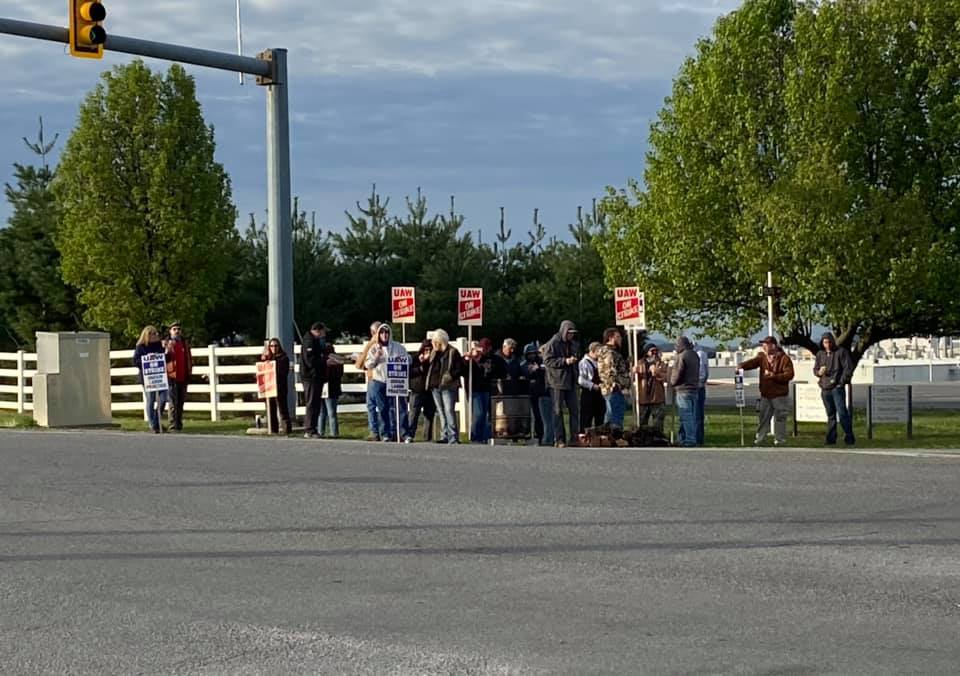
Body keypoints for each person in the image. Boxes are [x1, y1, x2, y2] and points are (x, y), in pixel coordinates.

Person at [738, 336, 795, 446]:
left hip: (780, 395)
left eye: (766, 344)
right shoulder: (762, 357)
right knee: (763, 418)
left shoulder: (784, 359)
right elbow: (753, 363)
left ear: (773, 345)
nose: (763, 346)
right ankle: (760, 439)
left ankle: (780, 440)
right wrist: (741, 366)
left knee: (780, 418)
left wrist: (774, 376)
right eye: (763, 344)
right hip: (766, 394)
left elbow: (789, 375)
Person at [365, 323, 411, 442]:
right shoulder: (374, 348)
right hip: (379, 381)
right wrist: (376, 357)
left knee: (401, 407)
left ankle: (404, 433)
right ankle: (385, 433)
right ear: (378, 334)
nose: (384, 335)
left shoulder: (398, 347)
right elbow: (368, 364)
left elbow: (408, 359)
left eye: (386, 333)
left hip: (396, 381)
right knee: (382, 408)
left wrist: (402, 360)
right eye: (382, 333)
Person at [542, 320, 580, 447]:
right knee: (557, 411)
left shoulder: (573, 344)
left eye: (573, 333)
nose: (571, 335)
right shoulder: (553, 343)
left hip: (571, 381)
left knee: (574, 410)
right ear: (564, 331)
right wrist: (564, 361)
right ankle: (559, 439)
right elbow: (547, 360)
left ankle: (574, 437)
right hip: (556, 382)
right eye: (569, 333)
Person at [814, 331, 855, 445]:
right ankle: (831, 438)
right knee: (830, 414)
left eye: (828, 342)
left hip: (837, 388)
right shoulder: (820, 354)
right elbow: (815, 369)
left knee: (842, 413)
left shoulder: (841, 352)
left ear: (832, 342)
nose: (827, 344)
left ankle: (849, 436)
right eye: (825, 342)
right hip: (825, 388)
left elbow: (848, 368)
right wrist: (818, 372)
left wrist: (841, 382)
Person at [425, 329, 463, 444]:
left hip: (447, 386)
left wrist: (449, 376)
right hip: (435, 386)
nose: (433, 344)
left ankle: (453, 436)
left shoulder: (453, 352)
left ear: (440, 341)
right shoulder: (434, 353)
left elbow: (459, 368)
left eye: (435, 342)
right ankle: (444, 435)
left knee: (449, 411)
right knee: (441, 411)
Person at [464, 338, 505, 443]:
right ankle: (475, 437)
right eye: (481, 348)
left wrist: (499, 385)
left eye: (485, 348)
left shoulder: (494, 359)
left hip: (487, 389)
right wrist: (469, 358)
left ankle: (484, 437)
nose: (482, 350)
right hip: (475, 389)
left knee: (487, 415)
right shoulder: (472, 358)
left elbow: (502, 371)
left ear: (489, 348)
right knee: (479, 413)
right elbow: (462, 369)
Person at [133, 325, 168, 434]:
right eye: (153, 334)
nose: (155, 335)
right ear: (147, 335)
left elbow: (167, 359)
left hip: (160, 377)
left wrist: (166, 349)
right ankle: (153, 425)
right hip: (147, 377)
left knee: (163, 399)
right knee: (151, 399)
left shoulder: (159, 345)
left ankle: (156, 421)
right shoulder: (141, 347)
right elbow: (135, 361)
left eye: (156, 333)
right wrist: (148, 358)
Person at [597, 328, 632, 432]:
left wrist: (626, 364)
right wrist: (621, 384)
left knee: (610, 413)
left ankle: (608, 436)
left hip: (610, 387)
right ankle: (614, 436)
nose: (620, 339)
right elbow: (610, 371)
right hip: (613, 388)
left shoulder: (610, 352)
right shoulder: (609, 352)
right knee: (615, 414)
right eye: (618, 337)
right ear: (611, 337)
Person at [355, 321, 384, 441]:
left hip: (375, 378)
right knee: (382, 406)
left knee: (373, 406)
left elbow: (359, 364)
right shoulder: (390, 344)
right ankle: (385, 431)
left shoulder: (373, 345)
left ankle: (375, 432)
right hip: (381, 378)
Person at [299, 322, 328, 439]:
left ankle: (313, 428)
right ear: (318, 330)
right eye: (323, 331)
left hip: (316, 377)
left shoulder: (314, 341)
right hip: (310, 377)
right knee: (311, 403)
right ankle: (309, 429)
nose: (324, 334)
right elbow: (310, 361)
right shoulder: (309, 341)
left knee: (316, 403)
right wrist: (324, 361)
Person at [670, 336, 700, 447]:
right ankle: (682, 438)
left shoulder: (681, 356)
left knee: (686, 416)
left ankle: (690, 440)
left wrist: (671, 382)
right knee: (691, 415)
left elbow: (677, 374)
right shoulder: (695, 355)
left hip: (683, 389)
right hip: (694, 389)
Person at [164, 321, 192, 431]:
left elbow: (188, 358)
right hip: (171, 377)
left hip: (183, 376)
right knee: (172, 403)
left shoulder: (185, 343)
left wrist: (189, 372)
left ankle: (179, 424)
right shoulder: (166, 343)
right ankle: (172, 424)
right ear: (170, 331)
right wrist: (167, 349)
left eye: (178, 329)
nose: (177, 331)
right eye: (174, 329)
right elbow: (164, 358)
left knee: (181, 402)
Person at [523, 342, 553, 445]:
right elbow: (525, 374)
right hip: (530, 394)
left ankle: (541, 436)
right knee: (534, 416)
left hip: (542, 393)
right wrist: (532, 371)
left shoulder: (541, 363)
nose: (532, 355)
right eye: (530, 353)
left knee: (542, 417)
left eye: (534, 353)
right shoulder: (523, 364)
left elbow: (545, 369)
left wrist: (539, 369)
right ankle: (533, 435)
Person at [260, 337, 292, 434]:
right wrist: (264, 361)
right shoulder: (267, 358)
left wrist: (272, 364)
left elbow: (283, 372)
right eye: (272, 346)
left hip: (280, 388)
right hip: (269, 387)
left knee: (283, 410)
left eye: (276, 346)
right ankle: (273, 430)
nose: (274, 348)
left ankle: (287, 430)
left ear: (279, 346)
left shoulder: (284, 357)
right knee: (271, 409)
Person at [408, 339, 437, 442]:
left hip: (429, 390)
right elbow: (409, 373)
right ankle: (410, 435)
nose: (428, 352)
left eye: (430, 350)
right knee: (413, 414)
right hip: (417, 389)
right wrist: (421, 364)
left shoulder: (434, 360)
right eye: (426, 350)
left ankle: (427, 437)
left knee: (429, 414)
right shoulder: (415, 359)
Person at [636, 343, 668, 433]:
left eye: (656, 350)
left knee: (658, 424)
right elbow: (632, 377)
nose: (654, 353)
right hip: (643, 398)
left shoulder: (661, 364)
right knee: (642, 424)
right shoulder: (639, 363)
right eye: (652, 351)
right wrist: (634, 372)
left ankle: (658, 441)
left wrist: (657, 372)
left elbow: (667, 377)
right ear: (646, 352)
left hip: (657, 398)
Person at [578, 342, 605, 430]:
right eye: (599, 352)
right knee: (586, 419)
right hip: (588, 394)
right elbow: (581, 380)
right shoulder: (584, 363)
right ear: (593, 351)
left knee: (600, 418)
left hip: (599, 394)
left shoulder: (599, 362)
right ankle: (585, 440)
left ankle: (598, 440)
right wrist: (593, 385)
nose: (600, 354)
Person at [319, 351, 344, 438]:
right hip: (326, 388)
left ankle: (326, 432)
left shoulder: (336, 362)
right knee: (327, 413)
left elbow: (339, 374)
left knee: (328, 413)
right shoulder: (322, 360)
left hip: (330, 389)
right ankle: (330, 433)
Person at [694, 340, 709, 446]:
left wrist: (699, 382)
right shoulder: (702, 354)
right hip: (699, 387)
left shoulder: (699, 354)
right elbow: (705, 373)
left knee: (696, 414)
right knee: (697, 414)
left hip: (696, 387)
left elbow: (703, 373)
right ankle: (698, 438)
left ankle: (697, 438)